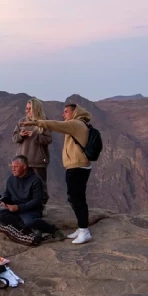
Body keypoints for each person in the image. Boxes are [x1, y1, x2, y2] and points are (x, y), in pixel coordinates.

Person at [22, 103, 93, 244]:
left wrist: (36, 122)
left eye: (66, 112)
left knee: (77, 199)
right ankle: (81, 227)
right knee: (75, 198)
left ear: (74, 113)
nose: (63, 114)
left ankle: (84, 231)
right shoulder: (78, 124)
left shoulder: (76, 123)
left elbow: (55, 125)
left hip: (77, 167)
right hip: (76, 166)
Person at [0, 155, 65, 241]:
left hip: (30, 209)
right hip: (16, 208)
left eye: (16, 167)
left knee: (30, 221)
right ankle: (31, 227)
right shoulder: (11, 178)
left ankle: (54, 230)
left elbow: (37, 201)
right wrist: (5, 200)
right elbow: (7, 192)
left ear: (24, 166)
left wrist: (19, 208)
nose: (13, 169)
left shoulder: (35, 180)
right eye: (12, 167)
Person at [12, 97, 52, 208]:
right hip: (22, 160)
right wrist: (21, 135)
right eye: (26, 108)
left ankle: (41, 206)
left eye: (30, 109)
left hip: (38, 160)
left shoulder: (44, 122)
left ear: (36, 109)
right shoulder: (21, 122)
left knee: (40, 185)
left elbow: (48, 140)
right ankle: (25, 205)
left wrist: (34, 135)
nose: (27, 111)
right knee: (22, 184)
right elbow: (14, 138)